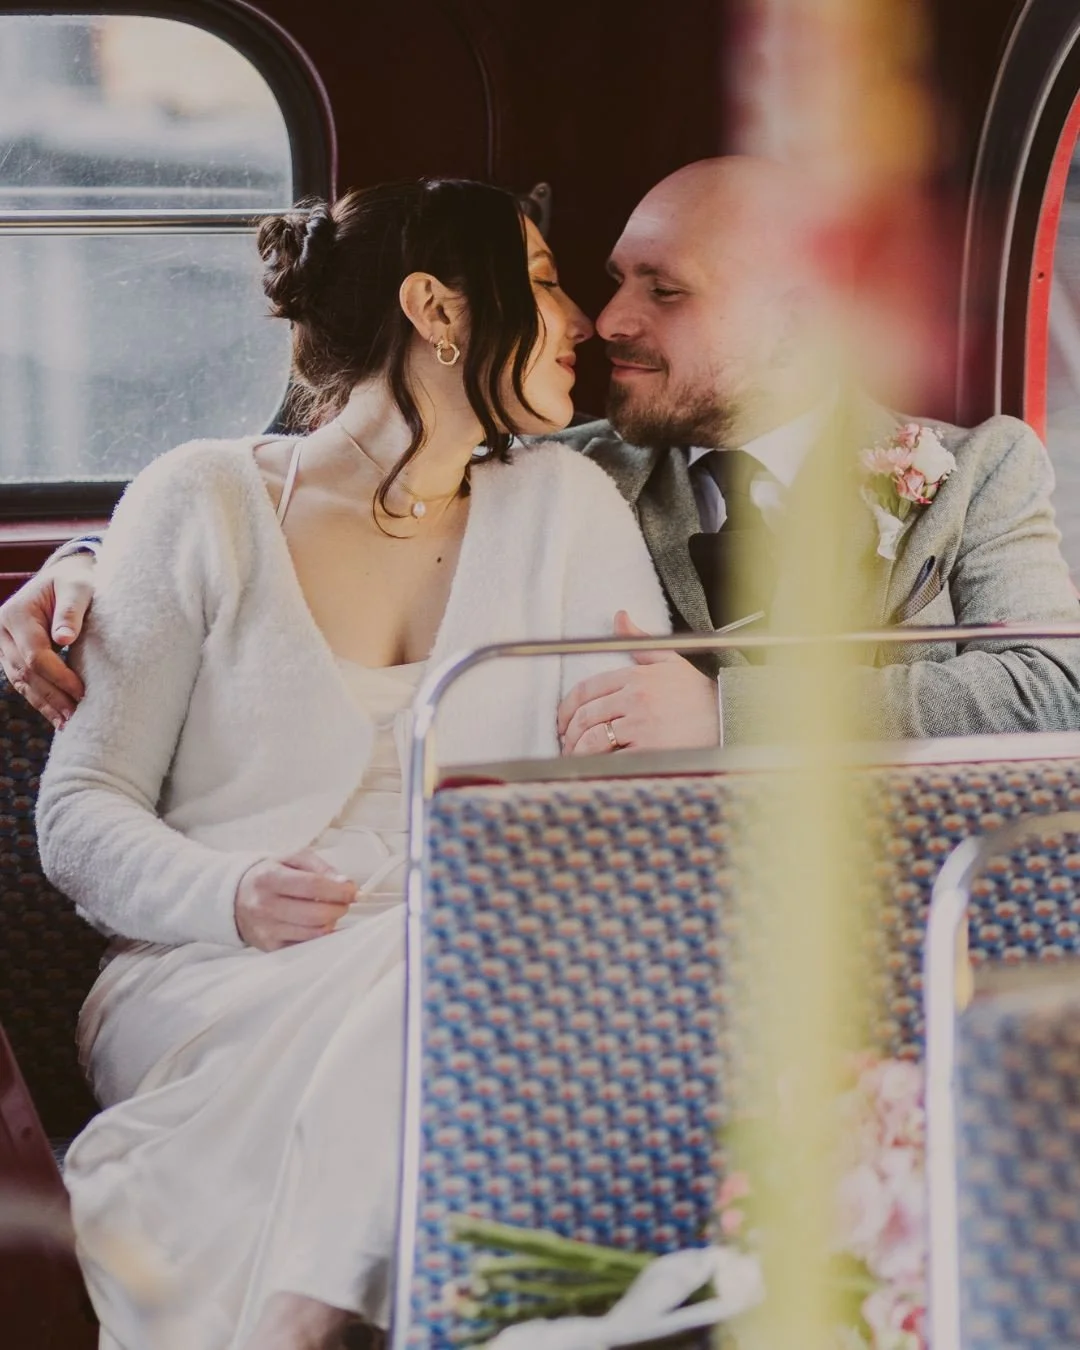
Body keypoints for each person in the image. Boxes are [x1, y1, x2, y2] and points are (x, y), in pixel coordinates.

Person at [32, 178, 671, 1350]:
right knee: (462, 995)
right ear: (436, 308)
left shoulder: (572, 507)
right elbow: (79, 810)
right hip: (210, 973)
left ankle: (298, 1320)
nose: (579, 317)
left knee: (464, 977)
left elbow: (634, 803)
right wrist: (224, 895)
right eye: (538, 281)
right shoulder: (205, 500)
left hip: (488, 960)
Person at [4, 156, 1080, 744]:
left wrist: (729, 712)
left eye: (665, 292)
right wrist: (86, 570)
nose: (607, 322)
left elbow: (1052, 691)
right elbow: (320, 488)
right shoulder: (561, 468)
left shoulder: (980, 469)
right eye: (612, 279)